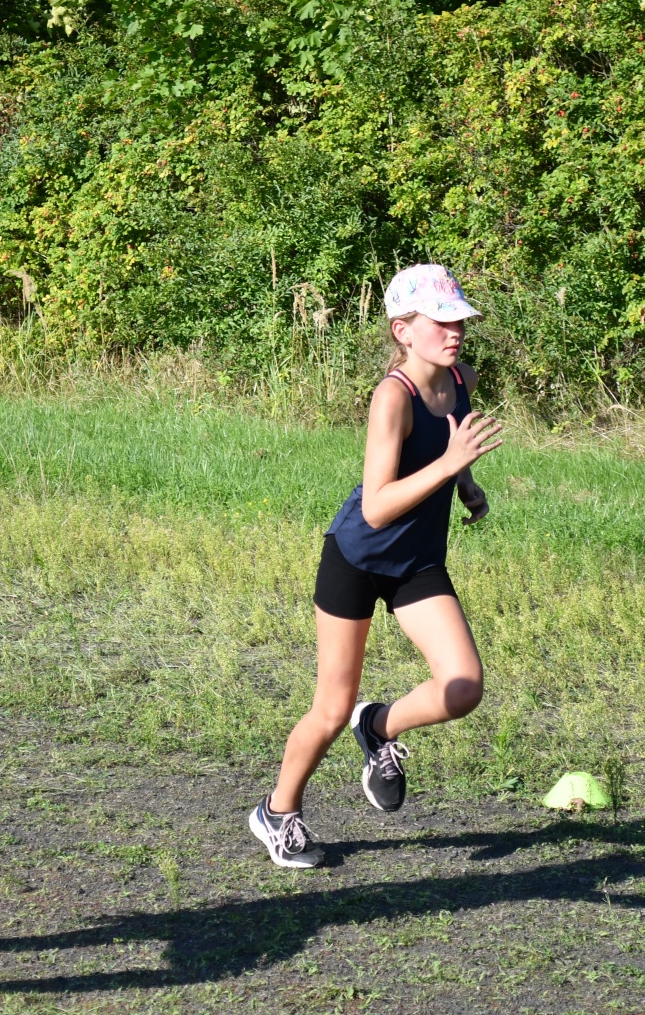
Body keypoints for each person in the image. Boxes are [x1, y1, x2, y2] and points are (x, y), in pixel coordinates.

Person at [249, 264, 502, 868]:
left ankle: (381, 727)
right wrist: (449, 467)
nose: (455, 332)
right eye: (440, 322)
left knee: (463, 686)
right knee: (331, 709)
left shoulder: (461, 378)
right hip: (357, 559)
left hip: (416, 561)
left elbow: (450, 441)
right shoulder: (393, 396)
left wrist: (465, 483)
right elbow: (378, 506)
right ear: (402, 331)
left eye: (459, 320)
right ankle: (277, 812)